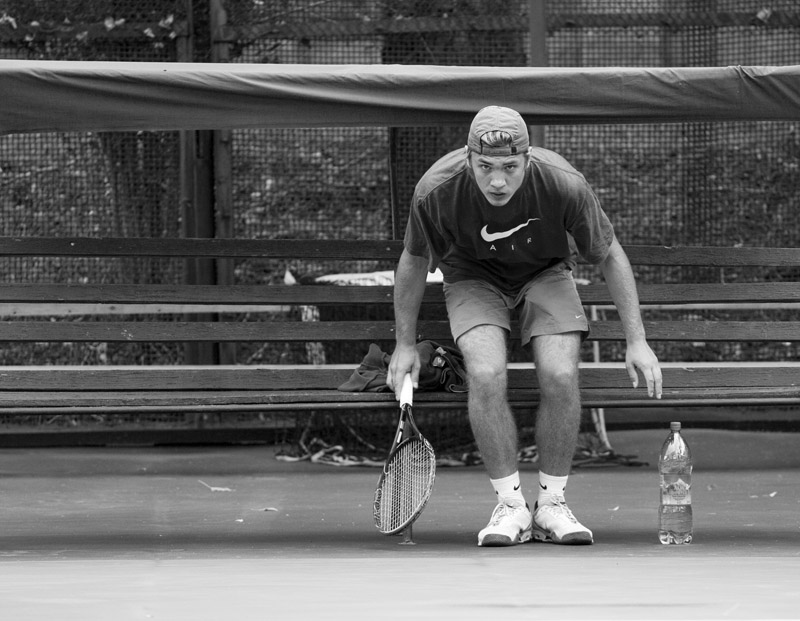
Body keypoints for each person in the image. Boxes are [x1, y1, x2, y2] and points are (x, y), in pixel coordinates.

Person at [386, 105, 663, 547]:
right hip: (471, 277)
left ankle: (552, 504)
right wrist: (403, 345)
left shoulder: (562, 182)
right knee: (485, 372)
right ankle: (511, 507)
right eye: (486, 167)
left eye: (510, 167)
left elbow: (609, 254)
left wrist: (638, 340)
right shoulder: (436, 189)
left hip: (546, 273)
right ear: (468, 157)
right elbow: (415, 260)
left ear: (528, 160)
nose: (498, 180)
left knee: (559, 373)